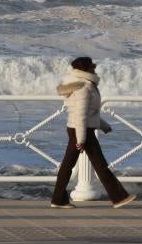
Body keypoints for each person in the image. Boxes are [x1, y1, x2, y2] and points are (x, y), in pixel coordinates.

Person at [51, 57, 136, 209]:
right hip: (82, 130)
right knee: (100, 165)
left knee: (67, 166)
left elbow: (90, 113)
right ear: (86, 69)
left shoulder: (85, 84)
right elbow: (81, 115)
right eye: (93, 66)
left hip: (79, 128)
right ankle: (119, 198)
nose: (95, 68)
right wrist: (81, 139)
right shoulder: (84, 87)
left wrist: (103, 125)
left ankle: (58, 199)